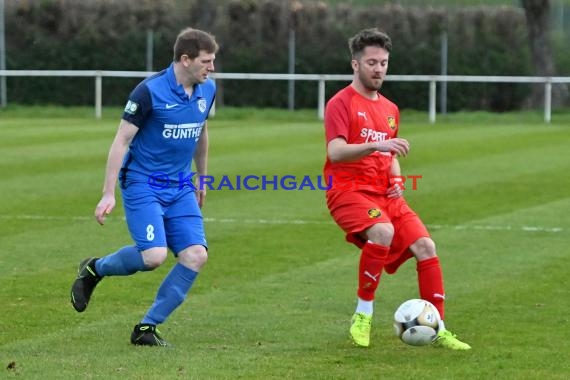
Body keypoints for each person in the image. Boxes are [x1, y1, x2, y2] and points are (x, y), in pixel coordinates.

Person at [323, 28, 470, 350]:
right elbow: (335, 151)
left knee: (426, 247)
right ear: (355, 65)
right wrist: (378, 145)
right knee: (383, 232)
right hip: (348, 190)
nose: (378, 69)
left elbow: (390, 158)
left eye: (384, 63)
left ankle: (439, 327)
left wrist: (398, 180)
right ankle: (363, 315)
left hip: (384, 194)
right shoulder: (340, 103)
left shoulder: (390, 109)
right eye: (372, 62)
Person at [70, 27, 218, 347]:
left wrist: (201, 178)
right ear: (185, 59)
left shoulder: (208, 90)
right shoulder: (148, 92)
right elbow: (121, 140)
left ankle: (147, 328)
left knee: (195, 256)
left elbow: (201, 134)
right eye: (206, 61)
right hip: (143, 183)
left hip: (179, 186)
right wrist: (108, 192)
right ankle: (96, 269)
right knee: (152, 256)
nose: (212, 68)